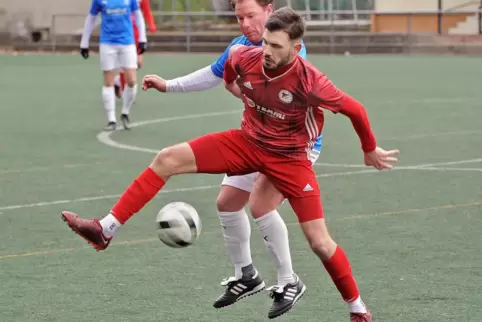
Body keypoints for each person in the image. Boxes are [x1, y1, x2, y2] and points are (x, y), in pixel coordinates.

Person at [62, 7, 400, 321]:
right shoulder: (244, 55)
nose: (267, 50)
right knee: (168, 159)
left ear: (295, 49)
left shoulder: (310, 81)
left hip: (290, 159)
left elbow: (356, 110)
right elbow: (227, 75)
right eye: (266, 41)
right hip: (248, 143)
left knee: (319, 241)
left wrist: (369, 150)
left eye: (276, 46)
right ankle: (105, 229)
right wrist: (243, 93)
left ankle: (357, 310)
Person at [140, 0, 320, 316]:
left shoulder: (287, 50)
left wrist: (239, 84)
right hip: (258, 140)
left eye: (251, 15)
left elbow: (266, 87)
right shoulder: (238, 46)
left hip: (294, 146)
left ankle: (289, 280)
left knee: (261, 203)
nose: (245, 23)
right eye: (239, 17)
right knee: (227, 203)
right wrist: (168, 86)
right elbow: (212, 74)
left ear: (270, 10)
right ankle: (246, 275)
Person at [80, 0, 148, 131]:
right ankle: (111, 119)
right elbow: (91, 19)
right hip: (107, 43)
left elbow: (138, 15)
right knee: (108, 81)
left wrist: (142, 39)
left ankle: (125, 112)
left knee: (132, 81)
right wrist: (84, 43)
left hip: (127, 42)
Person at [114, 0, 158, 129]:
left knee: (137, 64)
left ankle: (118, 82)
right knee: (126, 68)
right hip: (123, 37)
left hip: (137, 36)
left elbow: (146, 12)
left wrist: (151, 24)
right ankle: (121, 86)